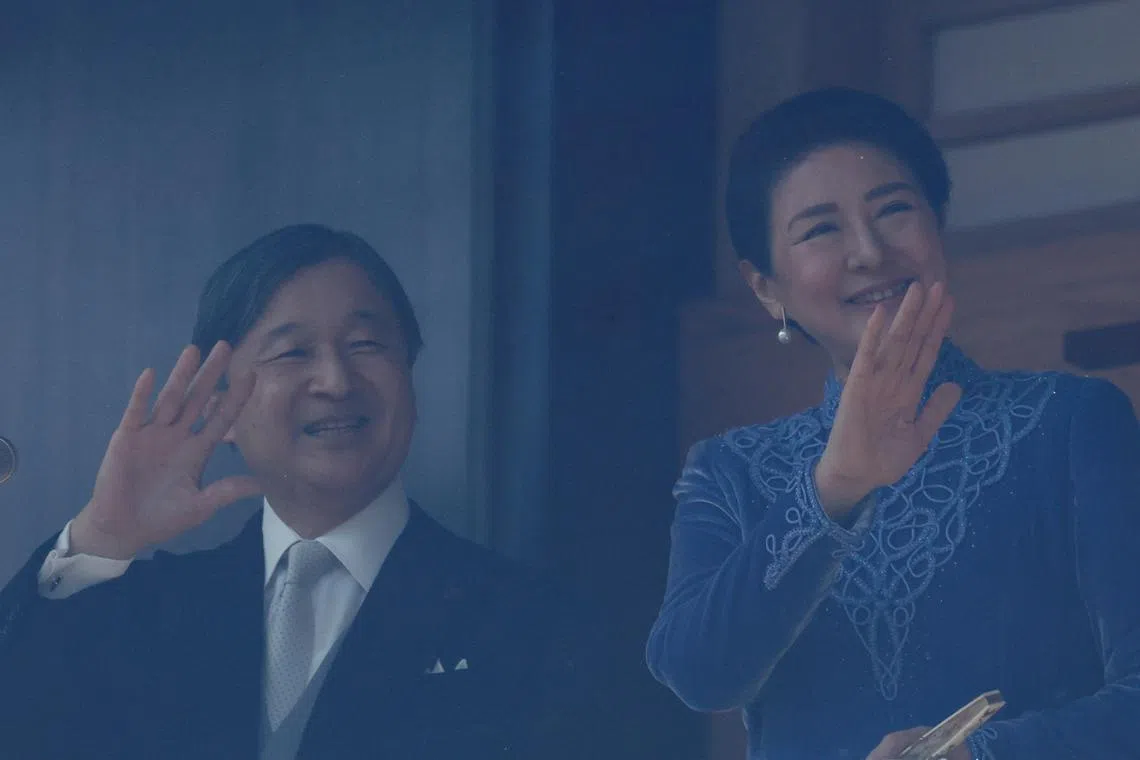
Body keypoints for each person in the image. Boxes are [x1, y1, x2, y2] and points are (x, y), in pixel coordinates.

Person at [644, 87, 1140, 760]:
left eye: (894, 210)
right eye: (820, 230)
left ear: (937, 225)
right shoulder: (729, 469)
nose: (869, 252)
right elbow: (698, 675)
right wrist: (834, 488)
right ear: (766, 287)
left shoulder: (1070, 422)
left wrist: (979, 755)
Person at [0, 224, 613, 760]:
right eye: (292, 352)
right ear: (221, 408)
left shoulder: (536, 623)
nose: (336, 381)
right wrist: (102, 535)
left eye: (366, 345)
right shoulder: (147, 614)